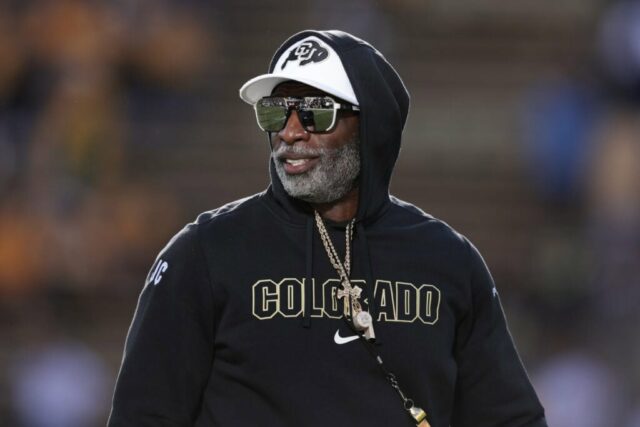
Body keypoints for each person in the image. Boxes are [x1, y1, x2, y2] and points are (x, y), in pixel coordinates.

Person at [108, 30, 547, 427]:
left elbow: (510, 419)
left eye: (317, 113)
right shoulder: (204, 253)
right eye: (276, 112)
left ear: (370, 124)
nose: (291, 132)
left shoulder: (449, 261)